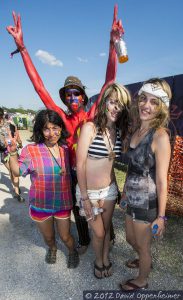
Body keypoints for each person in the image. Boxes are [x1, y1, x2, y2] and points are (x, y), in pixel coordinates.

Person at [6, 5, 124, 254]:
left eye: (76, 93)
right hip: (71, 174)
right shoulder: (61, 118)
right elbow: (39, 87)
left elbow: (109, 82)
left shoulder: (92, 115)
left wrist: (112, 44)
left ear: (83, 97)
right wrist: (24, 49)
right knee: (78, 210)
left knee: (105, 213)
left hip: (97, 172)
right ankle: (83, 240)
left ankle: (107, 241)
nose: (72, 97)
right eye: (68, 94)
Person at [7, 109, 79, 268]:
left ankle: (72, 251)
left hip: (63, 203)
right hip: (41, 205)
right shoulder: (31, 150)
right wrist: (13, 154)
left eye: (55, 128)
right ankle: (52, 249)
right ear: (40, 130)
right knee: (48, 238)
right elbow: (17, 171)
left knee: (66, 236)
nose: (52, 133)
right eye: (46, 128)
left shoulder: (66, 149)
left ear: (61, 128)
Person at [119, 78, 171, 291]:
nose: (146, 105)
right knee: (131, 239)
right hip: (131, 198)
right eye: (143, 99)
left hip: (147, 204)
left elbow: (161, 180)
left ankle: (142, 280)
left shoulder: (160, 136)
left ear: (161, 108)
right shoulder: (136, 130)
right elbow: (131, 168)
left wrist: (161, 216)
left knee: (143, 245)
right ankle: (143, 258)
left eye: (154, 102)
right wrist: (124, 193)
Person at [76, 83, 131, 278]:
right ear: (104, 102)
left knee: (106, 230)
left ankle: (105, 257)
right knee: (98, 233)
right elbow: (80, 164)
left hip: (109, 190)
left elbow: (111, 166)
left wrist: (119, 189)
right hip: (88, 193)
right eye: (113, 102)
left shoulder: (117, 132)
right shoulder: (90, 128)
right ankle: (98, 261)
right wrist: (84, 198)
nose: (117, 108)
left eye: (121, 105)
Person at [0, 108, 25, 202]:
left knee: (14, 172)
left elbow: (17, 135)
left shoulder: (10, 125)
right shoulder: (11, 125)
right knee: (11, 171)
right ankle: (16, 189)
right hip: (4, 153)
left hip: (12, 152)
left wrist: (20, 143)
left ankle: (17, 192)